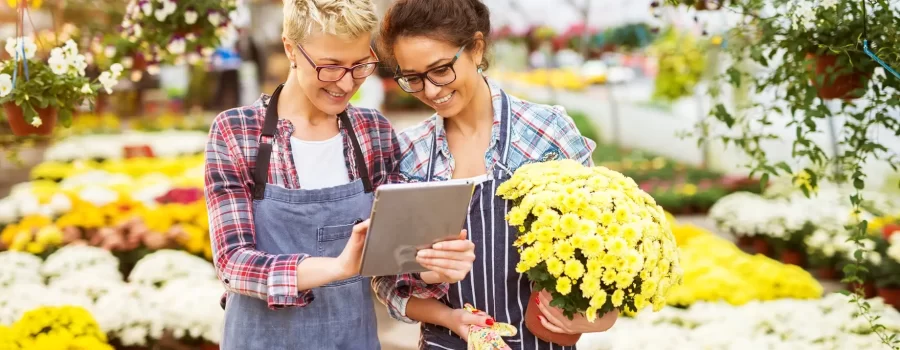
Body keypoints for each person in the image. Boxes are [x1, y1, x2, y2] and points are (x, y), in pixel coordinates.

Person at [204, 1, 474, 349]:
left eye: (360, 64)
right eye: (331, 66)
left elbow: (395, 264)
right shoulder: (237, 131)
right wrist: (338, 267)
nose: (347, 84)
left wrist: (435, 266)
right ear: (291, 48)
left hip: (352, 338)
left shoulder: (372, 132)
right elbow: (233, 262)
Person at [372, 0, 619, 349]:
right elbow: (388, 284)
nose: (430, 90)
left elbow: (601, 254)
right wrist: (446, 313)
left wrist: (600, 316)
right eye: (412, 78)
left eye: (441, 69)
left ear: (476, 48)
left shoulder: (547, 132)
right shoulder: (410, 154)